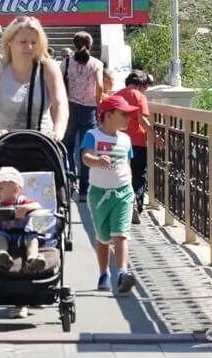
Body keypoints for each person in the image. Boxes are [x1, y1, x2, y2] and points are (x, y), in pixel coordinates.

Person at [0, 16, 69, 142]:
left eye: (34, 42)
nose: (29, 47)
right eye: (23, 42)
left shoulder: (48, 67)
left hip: (43, 146)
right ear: (9, 42)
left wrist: (57, 133)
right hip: (7, 145)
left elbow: (61, 106)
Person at [82, 93, 139, 295]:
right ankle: (104, 272)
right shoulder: (93, 135)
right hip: (99, 194)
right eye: (123, 114)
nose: (128, 118)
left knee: (121, 234)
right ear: (108, 115)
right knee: (103, 237)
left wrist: (132, 192)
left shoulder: (126, 139)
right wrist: (97, 161)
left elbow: (127, 164)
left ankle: (122, 273)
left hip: (123, 192)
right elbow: (86, 156)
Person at [62, 32, 111, 201]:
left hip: (70, 108)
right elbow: (99, 85)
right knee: (86, 149)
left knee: (67, 146)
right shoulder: (96, 63)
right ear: (90, 44)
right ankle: (84, 191)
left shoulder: (67, 62)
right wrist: (97, 103)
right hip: (89, 109)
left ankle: (69, 180)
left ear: (74, 44)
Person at [0, 166, 45, 276]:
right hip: (5, 234)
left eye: (1, 189)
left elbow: (38, 205)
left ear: (16, 190)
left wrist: (26, 208)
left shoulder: (22, 201)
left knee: (33, 239)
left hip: (23, 234)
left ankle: (32, 258)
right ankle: (2, 253)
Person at [115, 70, 152, 222]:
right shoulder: (139, 96)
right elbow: (142, 119)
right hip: (137, 141)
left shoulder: (117, 95)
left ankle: (120, 206)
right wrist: (155, 136)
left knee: (120, 175)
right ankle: (136, 205)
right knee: (138, 175)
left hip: (118, 141)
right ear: (141, 85)